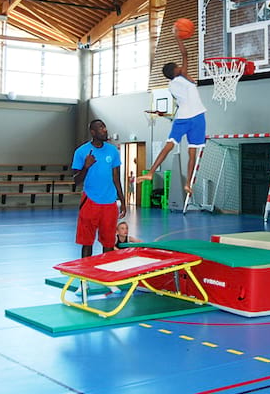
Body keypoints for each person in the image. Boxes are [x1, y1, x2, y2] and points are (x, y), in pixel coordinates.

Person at [138, 26, 206, 194]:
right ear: (176, 70)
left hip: (185, 117)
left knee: (171, 147)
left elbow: (184, 62)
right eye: (178, 67)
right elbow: (185, 54)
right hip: (196, 117)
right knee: (191, 153)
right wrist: (178, 37)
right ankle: (187, 183)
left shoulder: (173, 84)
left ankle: (154, 173)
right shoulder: (180, 78)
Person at [72, 119, 127, 259]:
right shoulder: (81, 152)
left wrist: (123, 201)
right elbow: (76, 181)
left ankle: (105, 276)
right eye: (101, 128)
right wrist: (86, 166)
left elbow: (116, 178)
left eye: (105, 127)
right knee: (87, 243)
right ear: (93, 132)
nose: (105, 130)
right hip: (90, 201)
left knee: (108, 243)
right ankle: (85, 279)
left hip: (109, 203)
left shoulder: (112, 150)